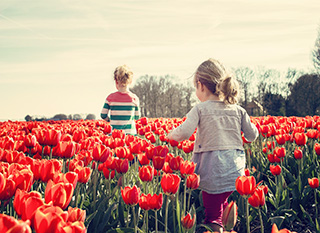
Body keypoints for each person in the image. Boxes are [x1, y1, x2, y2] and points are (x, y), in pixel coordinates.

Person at [167, 58, 259, 232]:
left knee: (213, 217)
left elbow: (185, 132)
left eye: (196, 87)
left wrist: (171, 134)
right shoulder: (238, 110)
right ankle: (227, 227)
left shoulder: (200, 109)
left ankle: (217, 228)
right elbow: (252, 135)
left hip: (212, 171)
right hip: (235, 173)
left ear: (201, 85)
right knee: (224, 207)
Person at [101, 65, 140, 135]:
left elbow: (103, 115)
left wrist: (110, 120)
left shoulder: (110, 98)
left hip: (115, 134)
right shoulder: (134, 98)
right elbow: (137, 117)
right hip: (130, 134)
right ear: (130, 81)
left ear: (116, 81)